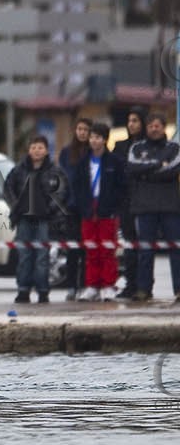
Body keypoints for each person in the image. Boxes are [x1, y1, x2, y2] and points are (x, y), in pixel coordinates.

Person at [4, 135, 69, 303]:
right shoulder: (19, 169)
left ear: (46, 150)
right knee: (24, 256)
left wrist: (50, 209)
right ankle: (23, 290)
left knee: (42, 256)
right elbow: (8, 188)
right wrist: (16, 206)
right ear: (29, 150)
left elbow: (61, 192)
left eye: (40, 148)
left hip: (45, 220)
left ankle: (43, 291)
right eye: (33, 147)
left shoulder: (55, 171)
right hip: (23, 219)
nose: (36, 151)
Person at [123, 111, 180, 302]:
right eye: (150, 126)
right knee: (145, 250)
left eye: (157, 126)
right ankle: (144, 289)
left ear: (163, 127)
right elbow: (132, 168)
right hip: (144, 206)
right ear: (146, 128)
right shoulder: (136, 147)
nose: (154, 129)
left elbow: (172, 170)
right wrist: (158, 164)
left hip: (170, 206)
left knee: (176, 249)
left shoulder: (174, 148)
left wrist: (147, 171)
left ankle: (179, 289)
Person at [69, 121, 125, 302]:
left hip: (107, 210)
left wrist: (113, 206)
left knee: (107, 249)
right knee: (91, 249)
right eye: (92, 137)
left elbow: (121, 187)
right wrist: (82, 206)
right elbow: (76, 186)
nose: (94, 141)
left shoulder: (114, 161)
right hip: (88, 209)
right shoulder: (82, 162)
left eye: (98, 137)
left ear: (105, 139)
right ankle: (92, 285)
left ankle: (108, 285)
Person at [113, 107, 150, 298]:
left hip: (145, 201)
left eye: (135, 120)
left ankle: (144, 286)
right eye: (129, 121)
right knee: (129, 245)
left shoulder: (149, 146)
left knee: (145, 246)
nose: (132, 124)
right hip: (125, 202)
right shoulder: (120, 146)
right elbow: (116, 172)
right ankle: (130, 284)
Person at [58, 116, 92, 299]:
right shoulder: (66, 152)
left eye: (86, 130)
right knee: (72, 249)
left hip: (89, 207)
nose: (82, 133)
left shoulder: (94, 152)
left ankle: (85, 284)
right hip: (71, 207)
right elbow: (62, 179)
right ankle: (71, 285)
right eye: (79, 129)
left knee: (87, 249)